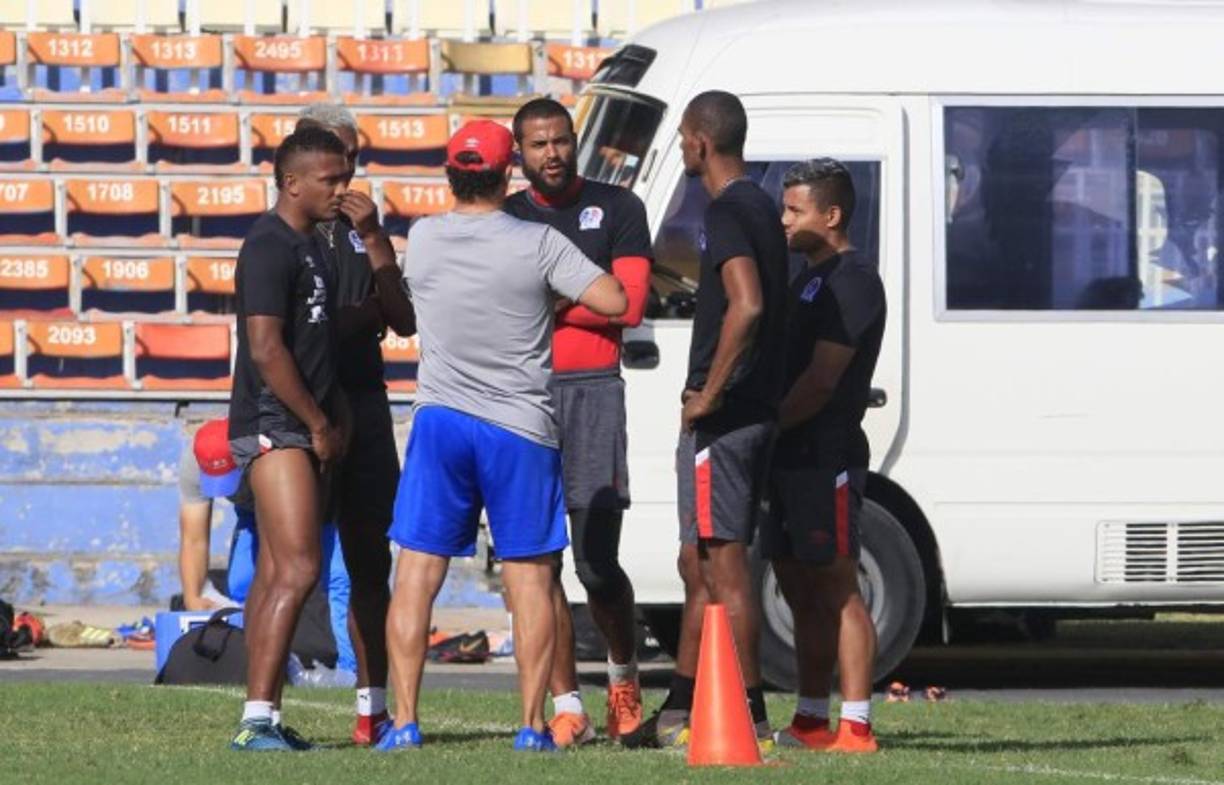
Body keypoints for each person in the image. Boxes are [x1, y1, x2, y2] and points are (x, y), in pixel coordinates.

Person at [377, 120, 627, 753]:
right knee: (529, 577)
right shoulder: (539, 242)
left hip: (440, 421)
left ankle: (403, 720)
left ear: (450, 174)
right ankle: (531, 724)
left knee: (414, 574)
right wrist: (548, 297)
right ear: (508, 171)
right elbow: (615, 298)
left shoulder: (426, 237)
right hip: (520, 427)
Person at [627, 91, 788, 750]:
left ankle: (748, 716)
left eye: (686, 138)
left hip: (725, 422)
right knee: (697, 561)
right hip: (753, 416)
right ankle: (679, 706)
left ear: (698, 141)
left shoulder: (726, 210)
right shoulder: (762, 207)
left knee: (723, 567)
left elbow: (746, 305)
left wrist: (708, 393)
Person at [503, 97, 653, 746]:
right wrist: (584, 291)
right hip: (523, 394)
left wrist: (547, 299)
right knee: (540, 562)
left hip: (593, 392)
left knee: (596, 563)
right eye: (538, 145)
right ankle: (568, 703)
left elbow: (630, 303)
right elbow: (503, 309)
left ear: (575, 141)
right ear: (520, 152)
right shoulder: (505, 218)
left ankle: (623, 682)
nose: (553, 154)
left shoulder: (619, 208)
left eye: (561, 141)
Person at [294, 103, 416, 745]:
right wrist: (349, 317)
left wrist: (376, 243)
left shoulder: (365, 230)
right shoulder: (284, 234)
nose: (345, 177)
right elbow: (292, 330)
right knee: (291, 566)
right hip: (302, 412)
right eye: (333, 161)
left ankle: (371, 709)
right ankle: (263, 709)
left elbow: (402, 318)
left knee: (371, 561)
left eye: (353, 161)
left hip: (365, 403)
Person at [226, 126, 349, 752]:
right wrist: (318, 423)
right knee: (299, 567)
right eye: (329, 179)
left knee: (280, 570)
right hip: (275, 424)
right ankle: (254, 721)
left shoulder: (315, 243)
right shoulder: (269, 244)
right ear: (291, 181)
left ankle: (266, 716)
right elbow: (266, 348)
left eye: (344, 176)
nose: (341, 188)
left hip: (300, 423)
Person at [768, 159, 885, 753]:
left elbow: (820, 381)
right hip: (790, 456)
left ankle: (857, 724)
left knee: (838, 585)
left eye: (795, 209)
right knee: (797, 587)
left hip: (826, 452)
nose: (784, 219)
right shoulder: (804, 277)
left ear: (831, 215)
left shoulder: (854, 279)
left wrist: (767, 426)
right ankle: (812, 717)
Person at [184, 417, 358, 680]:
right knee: (242, 581)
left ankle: (350, 670)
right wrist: (192, 596)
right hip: (251, 510)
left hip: (317, 502)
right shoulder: (191, 466)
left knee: (335, 578)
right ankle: (257, 665)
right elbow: (193, 539)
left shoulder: (272, 448)